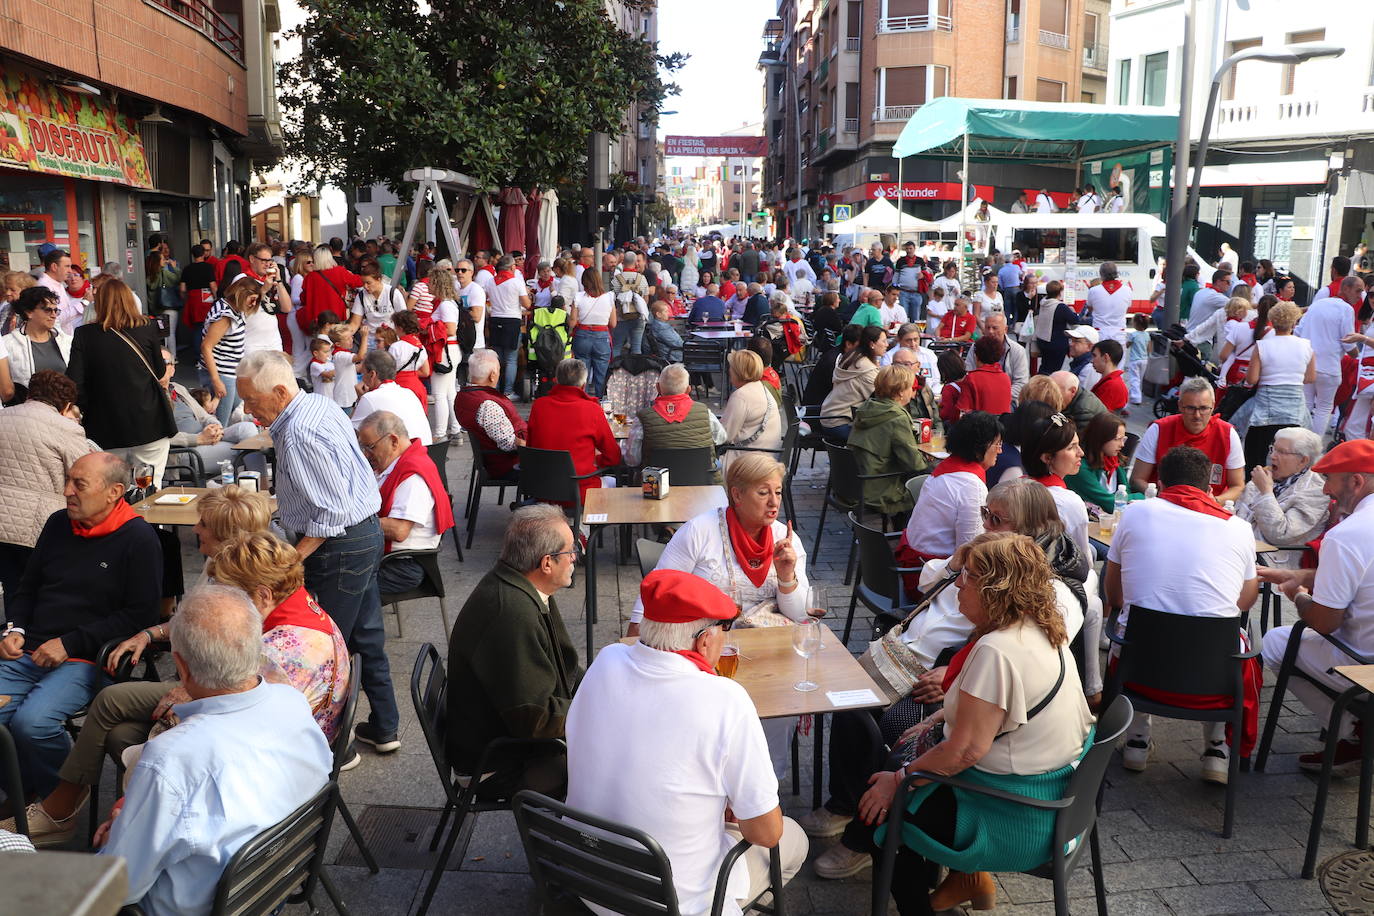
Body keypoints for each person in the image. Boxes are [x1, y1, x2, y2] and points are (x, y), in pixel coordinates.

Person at [805, 482, 1095, 865]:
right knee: (850, 700)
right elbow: (928, 582)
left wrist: (954, 675)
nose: (986, 524)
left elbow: (1027, 653)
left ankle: (869, 836)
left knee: (895, 735)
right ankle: (850, 802)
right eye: (984, 514)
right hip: (942, 668)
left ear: (1030, 524)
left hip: (969, 695)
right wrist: (960, 561)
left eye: (997, 518)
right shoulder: (986, 558)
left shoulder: (1052, 589)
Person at [850, 533, 1094, 915]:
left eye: (968, 575)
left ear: (996, 588)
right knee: (894, 774)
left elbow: (965, 751)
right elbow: (1004, 707)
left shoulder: (997, 650)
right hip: (1053, 795)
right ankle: (964, 879)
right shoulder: (1040, 627)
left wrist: (897, 783)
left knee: (881, 820)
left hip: (1014, 814)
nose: (958, 583)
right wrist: (936, 717)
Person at [569, 569, 808, 915]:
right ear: (704, 639)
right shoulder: (726, 699)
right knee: (793, 840)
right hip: (668, 901)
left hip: (586, 878)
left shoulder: (606, 659)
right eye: (724, 629)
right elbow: (767, 832)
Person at [94, 586, 332, 916]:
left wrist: (120, 834)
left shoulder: (170, 758)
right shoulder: (292, 702)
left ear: (182, 667)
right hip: (269, 888)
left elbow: (118, 888)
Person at [233, 350, 399, 754]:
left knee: (325, 649)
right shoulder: (318, 405)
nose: (248, 410)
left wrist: (291, 559)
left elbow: (329, 514)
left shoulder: (300, 431)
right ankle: (385, 726)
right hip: (363, 535)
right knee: (364, 638)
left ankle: (334, 749)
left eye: (253, 401)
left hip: (341, 545)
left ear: (278, 391)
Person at [0, 453, 160, 797]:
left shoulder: (139, 538)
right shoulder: (58, 523)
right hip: (29, 650)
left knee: (32, 725)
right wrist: (15, 629)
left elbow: (140, 616)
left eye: (79, 484)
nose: (67, 490)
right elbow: (27, 588)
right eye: (68, 480)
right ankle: (21, 792)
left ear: (114, 491)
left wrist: (69, 644)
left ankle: (60, 798)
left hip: (88, 658)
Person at [1106, 446, 1260, 782]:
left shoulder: (1134, 514)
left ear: (1159, 484)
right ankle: (1217, 747)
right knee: (1234, 636)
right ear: (1210, 490)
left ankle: (1137, 738)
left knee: (1125, 626)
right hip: (1212, 679)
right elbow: (1246, 601)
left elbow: (1114, 595)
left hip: (1140, 670)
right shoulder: (1239, 528)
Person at [447, 504, 582, 794]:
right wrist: (597, 711)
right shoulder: (511, 613)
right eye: (571, 551)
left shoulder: (523, 585)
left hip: (509, 741)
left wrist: (600, 689)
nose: (574, 558)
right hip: (496, 764)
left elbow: (563, 669)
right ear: (547, 563)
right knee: (612, 766)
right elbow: (534, 719)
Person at [1259, 439, 1374, 772]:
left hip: (1363, 667)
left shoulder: (1348, 534)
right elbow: (1361, 578)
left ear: (1356, 482)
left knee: (1276, 641)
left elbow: (1324, 623)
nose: (1325, 490)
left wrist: (1296, 593)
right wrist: (1302, 574)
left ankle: (1353, 734)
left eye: (1330, 480)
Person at [67, 278, 177, 487]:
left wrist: (89, 407)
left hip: (105, 426)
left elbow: (74, 382)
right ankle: (149, 520)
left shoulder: (84, 335)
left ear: (99, 304)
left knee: (109, 490)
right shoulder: (146, 328)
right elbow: (160, 370)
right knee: (150, 488)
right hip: (150, 421)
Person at [0, 371, 94, 600]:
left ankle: (15, 631)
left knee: (14, 590)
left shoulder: (3, 416)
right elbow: (84, 477)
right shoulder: (66, 428)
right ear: (67, 404)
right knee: (44, 594)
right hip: (40, 524)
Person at [356, 411, 455, 592]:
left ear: (393, 441)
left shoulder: (413, 477)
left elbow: (399, 530)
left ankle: (352, 619)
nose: (367, 454)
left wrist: (352, 521)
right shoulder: (396, 462)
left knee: (337, 582)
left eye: (370, 447)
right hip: (390, 557)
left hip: (404, 566)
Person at [900, 412, 1003, 563]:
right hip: (930, 572)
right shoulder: (970, 486)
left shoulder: (946, 468)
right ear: (978, 448)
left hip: (917, 558)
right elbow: (969, 552)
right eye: (997, 444)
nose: (1000, 450)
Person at [1130, 376, 1245, 503]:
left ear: (1213, 405)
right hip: (1163, 504)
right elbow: (1137, 479)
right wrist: (1162, 496)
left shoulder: (1228, 435)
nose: (1197, 415)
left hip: (1208, 510)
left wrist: (1214, 501)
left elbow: (1238, 486)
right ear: (1179, 405)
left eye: (1203, 408)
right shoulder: (1159, 429)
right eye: (1190, 408)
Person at [525, 357, 623, 501]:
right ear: (583, 385)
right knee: (616, 482)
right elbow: (613, 457)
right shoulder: (592, 410)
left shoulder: (539, 406)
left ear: (556, 380)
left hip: (541, 489)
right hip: (579, 491)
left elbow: (532, 446)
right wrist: (596, 460)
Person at [1234, 426, 1327, 570]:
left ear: (1303, 461)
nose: (1272, 456)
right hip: (1240, 555)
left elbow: (1281, 533)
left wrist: (1266, 493)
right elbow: (1238, 516)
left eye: (1282, 452)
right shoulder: (1263, 478)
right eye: (1273, 449)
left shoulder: (1316, 492)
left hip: (1272, 568)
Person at [848, 365, 930, 515]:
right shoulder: (896, 417)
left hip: (855, 482)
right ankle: (909, 532)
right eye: (911, 388)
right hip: (879, 488)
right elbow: (914, 463)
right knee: (929, 480)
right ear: (900, 391)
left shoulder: (867, 408)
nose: (913, 393)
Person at [1242, 301, 1314, 468]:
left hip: (1266, 409)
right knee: (1292, 454)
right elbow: (1310, 377)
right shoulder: (1306, 346)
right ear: (1295, 322)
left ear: (1272, 322)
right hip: (1295, 408)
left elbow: (1251, 379)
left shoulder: (1263, 346)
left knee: (1258, 455)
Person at [629, 363, 726, 472]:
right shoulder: (706, 413)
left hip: (656, 485)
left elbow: (632, 460)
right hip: (701, 483)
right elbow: (721, 438)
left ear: (658, 388)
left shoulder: (642, 418)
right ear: (688, 390)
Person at [1299, 275, 1363, 436]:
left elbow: (1299, 331)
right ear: (1346, 288)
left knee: (1306, 405)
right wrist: (1359, 356)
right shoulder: (1346, 309)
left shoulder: (1317, 305)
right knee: (1324, 408)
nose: (1360, 295)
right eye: (1358, 291)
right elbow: (1348, 342)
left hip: (1307, 364)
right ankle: (1312, 449)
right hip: (1329, 367)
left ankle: (1300, 446)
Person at [454, 349, 526, 482]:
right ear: (492, 375)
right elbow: (508, 443)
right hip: (505, 465)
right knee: (553, 464)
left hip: (490, 460)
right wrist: (534, 446)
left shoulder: (463, 396)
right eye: (498, 370)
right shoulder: (488, 405)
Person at [350, 349, 434, 445]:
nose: (362, 378)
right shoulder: (408, 392)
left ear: (372, 374)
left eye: (363, 373)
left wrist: (360, 400)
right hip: (428, 452)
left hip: (404, 456)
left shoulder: (370, 398)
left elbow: (350, 433)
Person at [720, 350, 783, 473]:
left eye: (731, 368)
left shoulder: (741, 396)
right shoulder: (761, 387)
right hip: (768, 455)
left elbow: (724, 435)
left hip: (748, 461)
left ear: (739, 372)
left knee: (701, 466)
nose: (729, 371)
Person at [821, 325, 886, 441]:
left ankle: (839, 459)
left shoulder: (852, 357)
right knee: (883, 438)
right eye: (884, 341)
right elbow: (882, 401)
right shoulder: (867, 370)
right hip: (841, 423)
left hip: (828, 417)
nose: (887, 344)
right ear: (872, 344)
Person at [1065, 411, 1135, 513]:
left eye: (1123, 439)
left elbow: (1126, 492)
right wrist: (1141, 496)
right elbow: (1110, 504)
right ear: (1101, 438)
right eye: (1117, 439)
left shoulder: (1114, 462)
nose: (1122, 445)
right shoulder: (1080, 467)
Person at [3, 286, 71, 388]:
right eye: (48, 310)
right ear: (29, 312)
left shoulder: (67, 341)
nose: (54, 315)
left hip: (64, 402)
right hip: (25, 402)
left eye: (55, 310)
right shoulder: (8, 344)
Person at [570, 267, 617, 397]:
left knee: (581, 375)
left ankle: (580, 402)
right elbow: (613, 323)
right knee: (601, 375)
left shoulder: (578, 297)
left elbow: (572, 322)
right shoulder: (609, 297)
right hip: (601, 337)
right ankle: (600, 403)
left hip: (582, 336)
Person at [955, 335, 1012, 419]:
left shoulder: (972, 378)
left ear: (976, 356)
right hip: (1001, 428)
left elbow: (962, 411)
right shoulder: (1005, 378)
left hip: (979, 428)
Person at [386, 308, 431, 410]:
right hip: (416, 385)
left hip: (399, 385)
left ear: (400, 328)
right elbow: (426, 372)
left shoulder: (395, 347)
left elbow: (389, 370)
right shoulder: (420, 347)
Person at [1033, 280, 1079, 373]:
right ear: (1060, 292)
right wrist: (1073, 311)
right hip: (1056, 342)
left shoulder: (1043, 303)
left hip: (1042, 340)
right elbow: (1075, 320)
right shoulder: (1060, 307)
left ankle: (1038, 384)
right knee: (1054, 370)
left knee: (1044, 366)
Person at [1086, 262, 1131, 344]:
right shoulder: (1127, 290)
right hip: (1119, 332)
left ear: (1101, 274)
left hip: (1099, 332)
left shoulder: (1093, 291)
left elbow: (1090, 309)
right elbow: (1127, 309)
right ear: (1116, 273)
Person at [1090, 339, 1128, 412]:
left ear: (1105, 357)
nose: (1092, 361)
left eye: (1094, 356)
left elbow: (1100, 417)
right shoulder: (1111, 381)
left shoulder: (1112, 385)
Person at [644, 298, 683, 363]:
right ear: (658, 314)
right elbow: (677, 343)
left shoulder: (658, 325)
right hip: (675, 356)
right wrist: (689, 344)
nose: (668, 313)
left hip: (674, 354)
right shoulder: (661, 328)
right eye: (666, 311)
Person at [1124, 313, 1150, 406]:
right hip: (1144, 360)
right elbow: (1149, 348)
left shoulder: (1133, 334)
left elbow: (1127, 345)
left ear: (1136, 324)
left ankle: (1136, 398)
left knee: (1134, 379)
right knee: (1139, 379)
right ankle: (1133, 394)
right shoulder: (1147, 335)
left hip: (1134, 360)